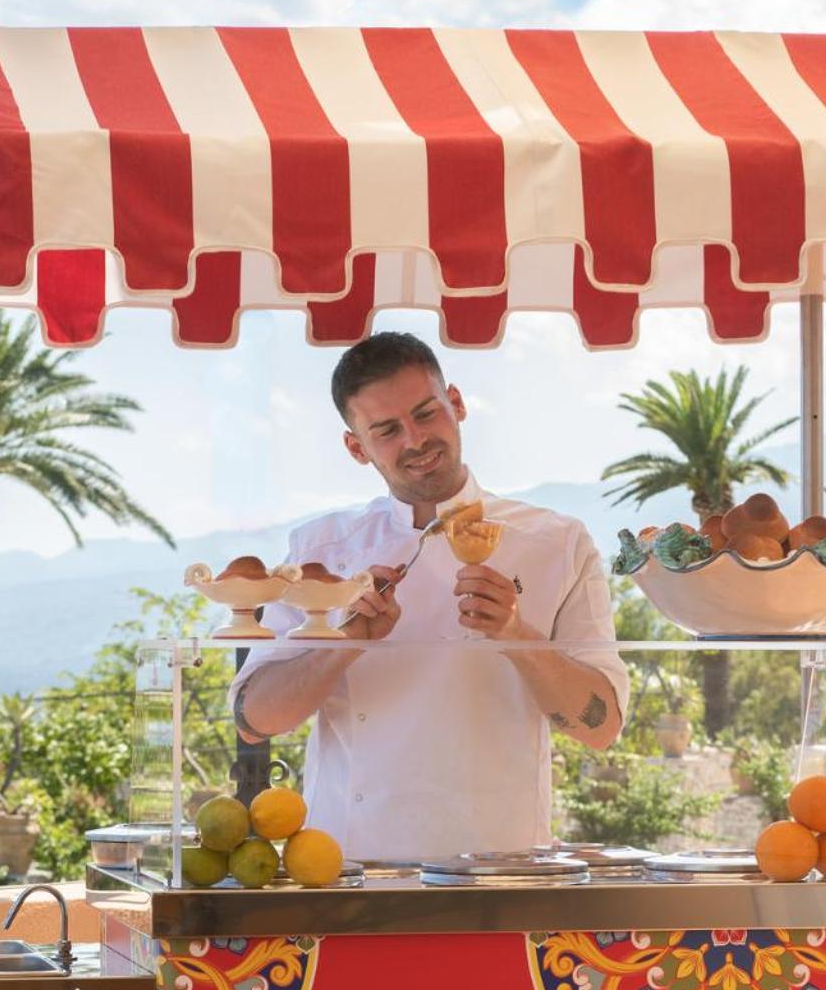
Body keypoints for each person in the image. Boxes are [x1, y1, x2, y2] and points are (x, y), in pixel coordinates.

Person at [231, 331, 628, 859]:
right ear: (357, 447)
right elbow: (254, 720)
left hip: (500, 868)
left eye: (426, 413)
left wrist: (515, 634)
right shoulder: (318, 551)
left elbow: (601, 727)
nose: (415, 441)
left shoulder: (558, 541)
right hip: (346, 865)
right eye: (387, 430)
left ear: (457, 404)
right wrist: (345, 642)